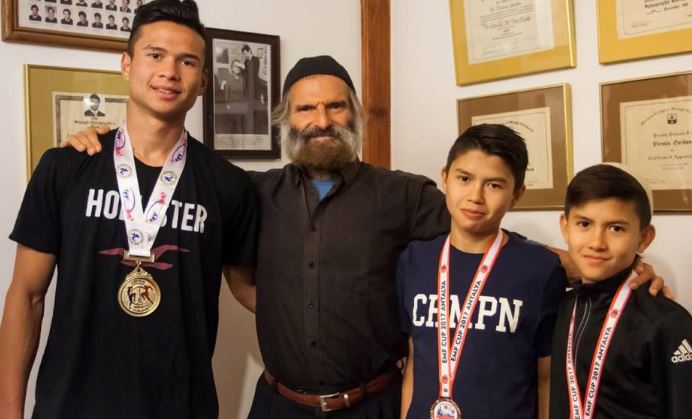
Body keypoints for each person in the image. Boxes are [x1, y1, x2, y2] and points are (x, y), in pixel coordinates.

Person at [60, 56, 667, 418]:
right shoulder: (254, 193)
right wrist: (89, 144)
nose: (320, 121)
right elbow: (235, 271)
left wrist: (600, 267)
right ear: (285, 120)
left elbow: (483, 235)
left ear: (355, 114)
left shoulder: (403, 195)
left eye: (334, 108)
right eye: (304, 110)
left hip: (374, 405)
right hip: (281, 406)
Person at [0, 1, 258, 419]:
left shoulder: (229, 184)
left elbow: (249, 289)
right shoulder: (65, 165)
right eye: (155, 55)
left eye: (187, 61)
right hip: (70, 407)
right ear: (126, 64)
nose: (169, 72)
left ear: (204, 81)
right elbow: (26, 296)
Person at [398, 124, 563, 419]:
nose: (476, 195)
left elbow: (546, 377)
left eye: (494, 185)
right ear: (445, 178)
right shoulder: (415, 260)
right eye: (464, 178)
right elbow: (415, 360)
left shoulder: (539, 269)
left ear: (517, 194)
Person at [549, 164, 692, 419]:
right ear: (565, 227)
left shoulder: (666, 323)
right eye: (584, 224)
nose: (597, 243)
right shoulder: (562, 304)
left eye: (616, 228)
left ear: (644, 237)